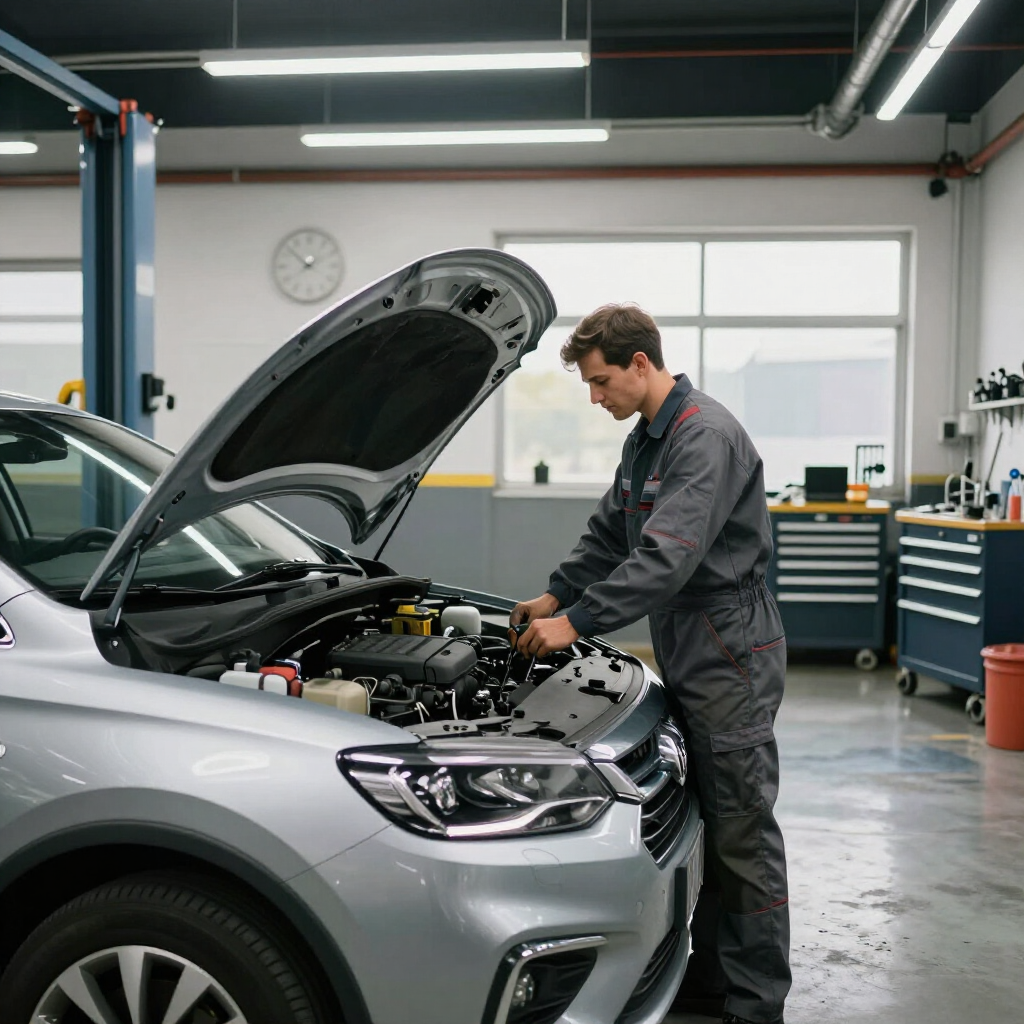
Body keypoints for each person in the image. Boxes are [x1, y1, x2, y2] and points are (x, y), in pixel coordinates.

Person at [510, 303, 790, 1024]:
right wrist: (555, 592)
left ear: (641, 363)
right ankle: (708, 986)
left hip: (727, 644)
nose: (595, 397)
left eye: (601, 382)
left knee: (742, 834)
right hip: (689, 636)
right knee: (708, 824)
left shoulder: (704, 438)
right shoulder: (648, 440)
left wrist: (576, 622)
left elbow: (665, 558)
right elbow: (613, 530)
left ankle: (755, 1005)